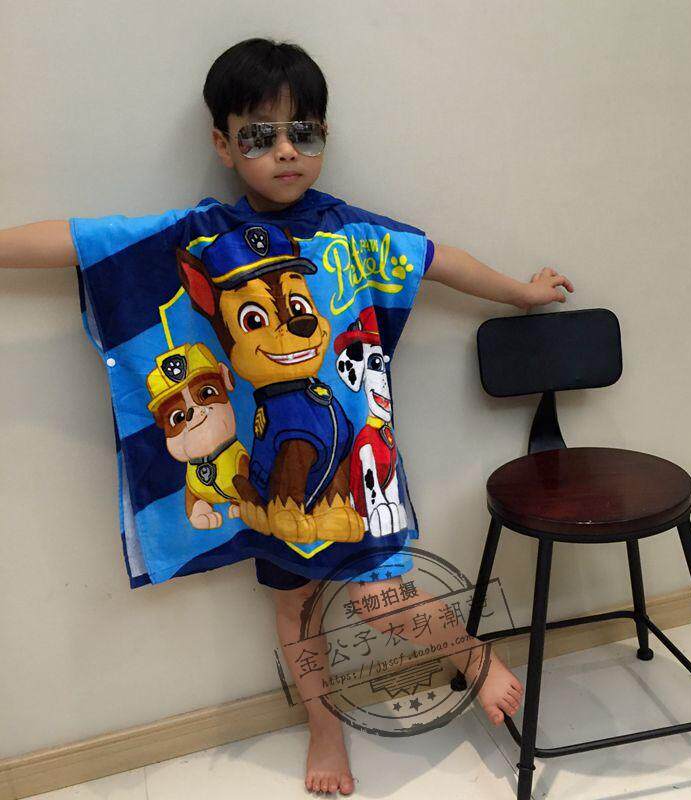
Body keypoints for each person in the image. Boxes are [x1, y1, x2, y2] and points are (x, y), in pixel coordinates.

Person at [0, 38, 574, 796]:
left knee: (379, 596)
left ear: (324, 135)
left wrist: (522, 293)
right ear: (223, 144)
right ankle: (323, 726)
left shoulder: (355, 233)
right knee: (293, 606)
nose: (285, 151)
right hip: (273, 473)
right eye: (259, 136)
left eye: (303, 132)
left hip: (358, 463)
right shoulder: (203, 236)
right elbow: (83, 240)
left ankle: (472, 656)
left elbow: (439, 259)